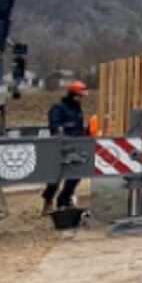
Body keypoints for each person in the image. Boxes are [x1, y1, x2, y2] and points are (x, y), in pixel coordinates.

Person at [41, 81, 88, 213]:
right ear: (73, 95)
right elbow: (54, 126)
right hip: (61, 146)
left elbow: (79, 127)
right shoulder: (58, 108)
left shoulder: (77, 109)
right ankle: (48, 199)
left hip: (76, 146)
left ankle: (63, 201)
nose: (81, 99)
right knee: (55, 177)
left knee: (75, 175)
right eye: (80, 96)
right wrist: (61, 136)